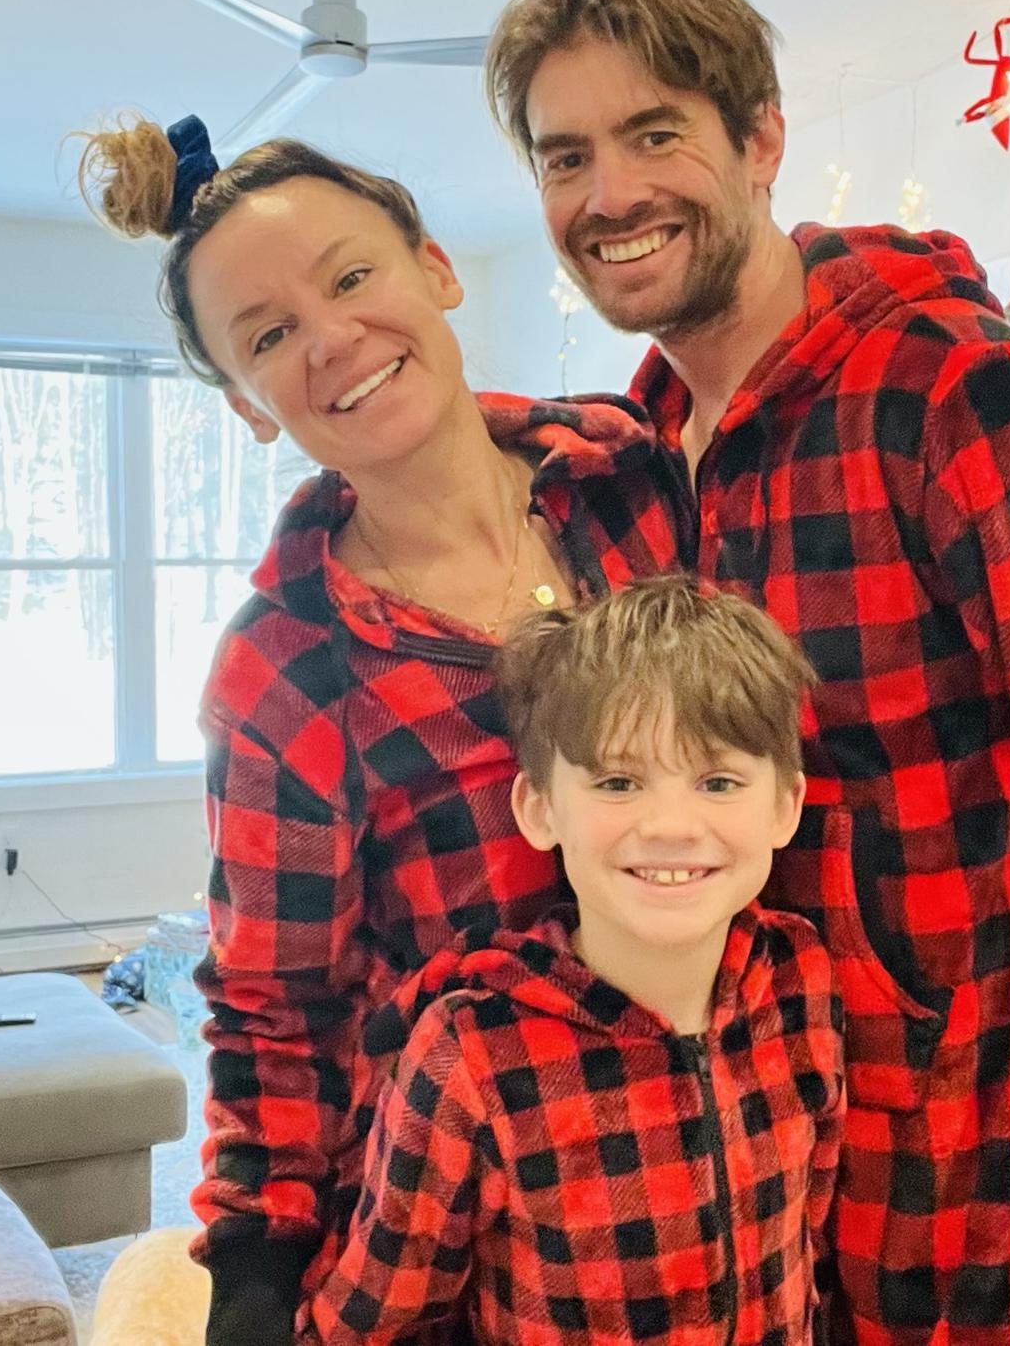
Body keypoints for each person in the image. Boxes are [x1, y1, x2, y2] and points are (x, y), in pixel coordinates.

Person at [484, 0, 1010, 1344]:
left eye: (657, 132)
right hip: (738, 1182)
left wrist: (985, 940)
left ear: (763, 138)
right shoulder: (640, 462)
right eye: (566, 156)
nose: (608, 196)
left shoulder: (958, 394)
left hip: (976, 1184)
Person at [77, 115, 683, 1345]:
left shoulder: (635, 480)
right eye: (270, 335)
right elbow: (273, 1016)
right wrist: (252, 1278)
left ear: (438, 269)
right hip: (475, 1248)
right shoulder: (287, 668)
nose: (334, 339)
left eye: (351, 276)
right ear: (251, 408)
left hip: (738, 1176)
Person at [299, 576, 842, 1346]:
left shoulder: (800, 976)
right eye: (619, 782)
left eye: (718, 781)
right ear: (539, 808)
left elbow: (808, 1241)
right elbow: (372, 1323)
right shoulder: (472, 1054)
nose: (671, 826)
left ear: (785, 806)